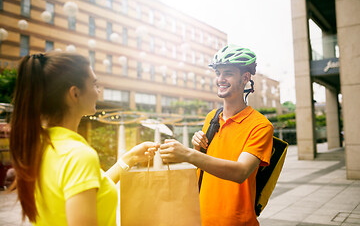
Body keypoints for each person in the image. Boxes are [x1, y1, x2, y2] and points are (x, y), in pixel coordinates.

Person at [9, 52, 158, 226]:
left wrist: (130, 158)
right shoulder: (78, 155)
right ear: (75, 94)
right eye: (94, 84)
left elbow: (90, 189)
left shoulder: (38, 146)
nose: (98, 91)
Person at [159, 45, 273, 226]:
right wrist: (197, 148)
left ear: (245, 78)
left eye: (227, 73)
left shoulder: (260, 125)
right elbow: (204, 165)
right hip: (201, 219)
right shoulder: (211, 118)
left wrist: (189, 154)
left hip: (237, 222)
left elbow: (241, 172)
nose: (220, 79)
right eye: (218, 73)